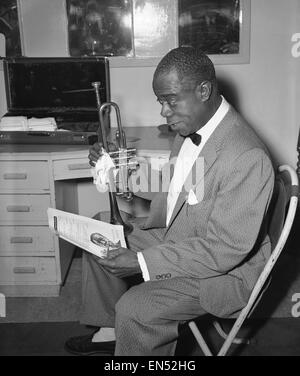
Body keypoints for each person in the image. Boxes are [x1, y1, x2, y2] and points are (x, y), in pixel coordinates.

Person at [65, 47, 274, 356]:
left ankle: (130, 331)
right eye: (161, 101)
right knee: (99, 231)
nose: (164, 111)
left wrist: (142, 263)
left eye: (171, 100)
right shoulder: (193, 129)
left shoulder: (246, 157)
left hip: (225, 274)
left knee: (136, 308)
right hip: (186, 235)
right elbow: (177, 187)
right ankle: (110, 332)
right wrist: (115, 171)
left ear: (203, 90)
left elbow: (224, 250)